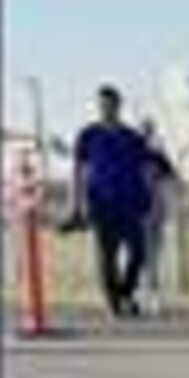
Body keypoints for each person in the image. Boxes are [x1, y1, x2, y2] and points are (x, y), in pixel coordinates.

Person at [64, 85, 157, 318]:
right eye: (101, 105)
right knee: (107, 256)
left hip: (131, 204)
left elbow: (145, 169)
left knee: (139, 252)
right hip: (100, 204)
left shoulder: (133, 137)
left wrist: (149, 198)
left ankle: (125, 293)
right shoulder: (88, 135)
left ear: (118, 105)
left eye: (110, 104)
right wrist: (75, 203)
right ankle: (114, 304)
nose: (105, 109)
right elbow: (78, 170)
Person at [135, 118, 180, 315]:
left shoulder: (158, 156)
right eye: (144, 131)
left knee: (154, 257)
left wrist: (170, 198)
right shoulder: (131, 156)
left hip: (156, 212)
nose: (146, 135)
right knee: (138, 256)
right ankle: (138, 295)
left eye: (149, 131)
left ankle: (153, 297)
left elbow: (174, 180)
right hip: (137, 213)